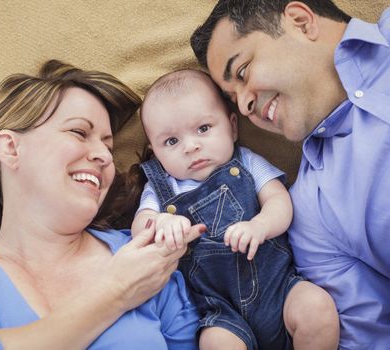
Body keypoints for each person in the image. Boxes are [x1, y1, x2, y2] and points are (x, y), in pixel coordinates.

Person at [190, 0, 390, 349]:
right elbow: (361, 338)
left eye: (242, 72)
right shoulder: (313, 215)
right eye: (233, 101)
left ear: (300, 21)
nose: (244, 107)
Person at [0, 59, 204, 350]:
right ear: (11, 148)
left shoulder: (146, 255)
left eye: (108, 147)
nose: (105, 157)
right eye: (79, 132)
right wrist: (116, 291)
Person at [131, 69, 339, 350]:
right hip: (221, 313)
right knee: (215, 344)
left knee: (317, 308)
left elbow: (279, 201)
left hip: (278, 289)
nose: (191, 147)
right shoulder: (161, 188)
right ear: (155, 151)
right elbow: (140, 226)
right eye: (171, 141)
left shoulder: (247, 163)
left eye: (203, 129)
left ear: (232, 127)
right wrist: (160, 225)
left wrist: (260, 226)